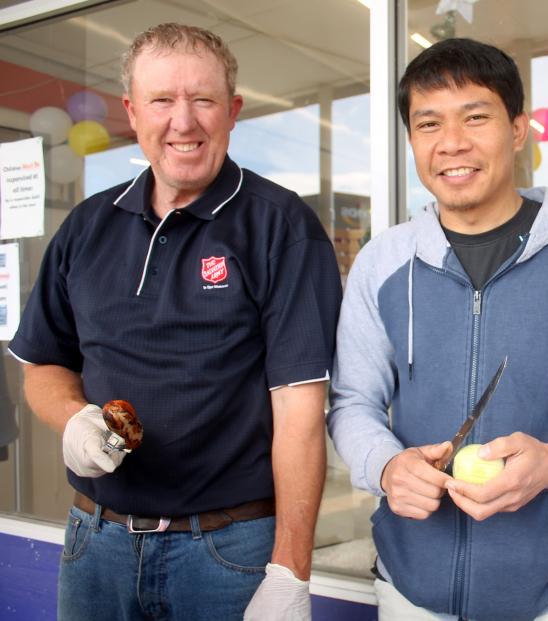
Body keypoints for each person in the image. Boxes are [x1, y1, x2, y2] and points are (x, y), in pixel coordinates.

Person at [8, 23, 341, 621]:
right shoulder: (86, 228)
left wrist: (290, 572)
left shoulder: (279, 226)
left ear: (233, 111)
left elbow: (300, 413)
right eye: (162, 100)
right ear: (133, 113)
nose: (182, 122)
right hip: (94, 544)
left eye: (203, 100)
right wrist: (75, 418)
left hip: (226, 552)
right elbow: (43, 364)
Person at [327, 37, 548, 620]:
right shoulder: (382, 261)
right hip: (407, 592)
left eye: (476, 117)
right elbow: (352, 403)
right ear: (412, 139)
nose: (452, 143)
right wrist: (385, 466)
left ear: (518, 129)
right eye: (429, 124)